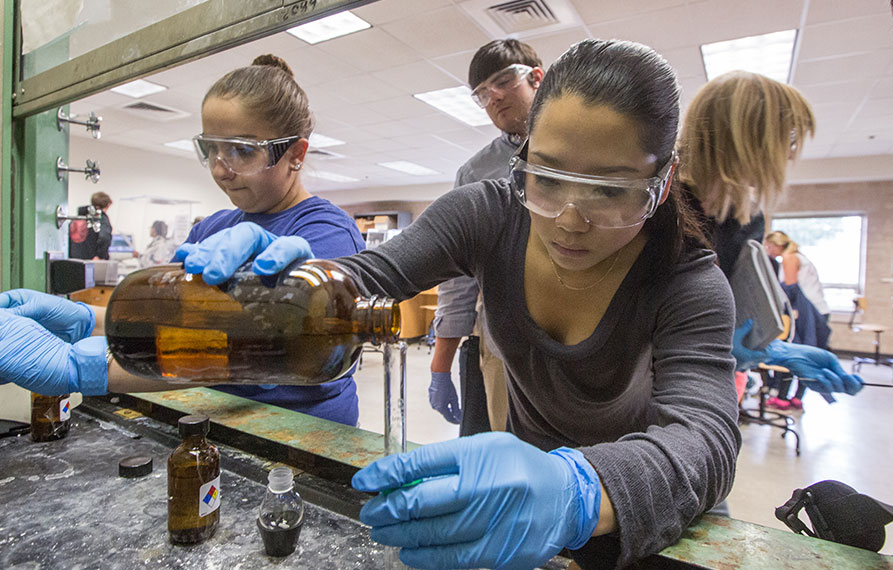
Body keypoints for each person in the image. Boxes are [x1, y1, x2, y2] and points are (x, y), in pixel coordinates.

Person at [159, 39, 742, 569]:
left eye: (611, 192)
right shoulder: (487, 213)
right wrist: (296, 280)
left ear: (661, 184)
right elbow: (370, 276)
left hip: (637, 501)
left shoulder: (688, 283)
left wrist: (578, 490)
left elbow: (705, 441)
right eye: (546, 177)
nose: (569, 219)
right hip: (513, 497)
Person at [0, 54, 366, 427]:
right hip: (215, 421)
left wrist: (81, 369)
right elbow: (168, 328)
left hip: (299, 435)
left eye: (242, 150)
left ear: (296, 154)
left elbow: (236, 347)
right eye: (212, 150)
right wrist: (83, 320)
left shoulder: (326, 231)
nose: (222, 169)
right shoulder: (211, 229)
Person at [677, 71, 862, 402]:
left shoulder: (746, 220)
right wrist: (713, 345)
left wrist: (773, 350)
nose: (790, 155)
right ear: (748, 137)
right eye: (787, 138)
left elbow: (734, 310)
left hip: (708, 385)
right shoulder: (658, 207)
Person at [429, 39, 544, 431]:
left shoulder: (583, 148)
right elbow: (460, 278)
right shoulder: (475, 174)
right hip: (501, 342)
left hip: (585, 341)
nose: (492, 96)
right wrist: (440, 365)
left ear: (537, 78)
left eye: (503, 81)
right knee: (505, 458)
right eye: (481, 93)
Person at [763, 230, 831, 410]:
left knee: (793, 351)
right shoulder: (800, 256)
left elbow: (791, 288)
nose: (767, 250)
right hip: (819, 310)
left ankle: (782, 398)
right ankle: (797, 398)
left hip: (807, 313)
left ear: (778, 245)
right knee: (807, 354)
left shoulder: (789, 258)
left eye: (769, 246)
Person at [69, 191, 113, 260]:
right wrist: (100, 256)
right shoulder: (101, 218)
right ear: (107, 206)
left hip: (73, 259)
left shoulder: (79, 218)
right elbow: (104, 237)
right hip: (92, 260)